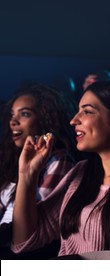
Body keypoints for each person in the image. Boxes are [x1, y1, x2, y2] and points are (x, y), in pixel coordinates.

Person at [11, 81, 110, 259]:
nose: (74, 120)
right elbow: (24, 240)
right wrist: (27, 175)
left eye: (87, 111)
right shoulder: (81, 172)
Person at [0, 84, 77, 226]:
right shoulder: (11, 158)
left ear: (44, 119)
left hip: (19, 242)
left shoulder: (59, 160)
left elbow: (36, 220)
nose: (13, 121)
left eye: (24, 114)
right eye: (12, 114)